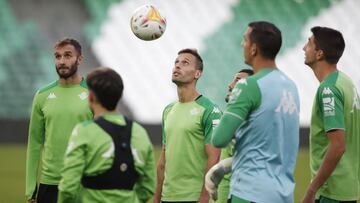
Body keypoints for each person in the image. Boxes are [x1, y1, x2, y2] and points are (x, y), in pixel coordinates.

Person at [211, 21, 300, 203]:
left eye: (245, 40)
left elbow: (219, 139)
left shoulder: (248, 85)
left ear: (254, 49)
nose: (242, 44)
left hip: (249, 192)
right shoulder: (291, 87)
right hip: (283, 194)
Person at [57, 67, 156, 203]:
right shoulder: (140, 132)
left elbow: (68, 188)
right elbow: (148, 187)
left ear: (91, 96)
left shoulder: (83, 131)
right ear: (120, 96)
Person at [25, 38, 93, 203]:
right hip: (50, 184)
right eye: (57, 56)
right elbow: (34, 142)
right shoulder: (42, 95)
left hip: (84, 183)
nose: (62, 61)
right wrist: (30, 188)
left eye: (68, 55)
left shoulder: (93, 94)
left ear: (80, 59)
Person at [154, 48, 222, 203]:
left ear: (197, 74)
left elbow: (214, 158)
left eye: (185, 63)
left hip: (193, 197)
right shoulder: (168, 110)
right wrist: (156, 197)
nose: (177, 66)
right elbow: (162, 161)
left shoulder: (210, 110)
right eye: (176, 62)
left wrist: (204, 198)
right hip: (167, 197)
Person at [301, 26, 360, 203]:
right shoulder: (346, 82)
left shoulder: (329, 89)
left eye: (309, 43)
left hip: (331, 192)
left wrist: (311, 190)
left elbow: (338, 145)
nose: (304, 48)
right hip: (347, 187)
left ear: (319, 54)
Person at [213, 69, 254, 203]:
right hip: (223, 194)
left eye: (238, 80)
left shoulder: (250, 122)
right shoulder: (235, 117)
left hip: (238, 195)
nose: (230, 85)